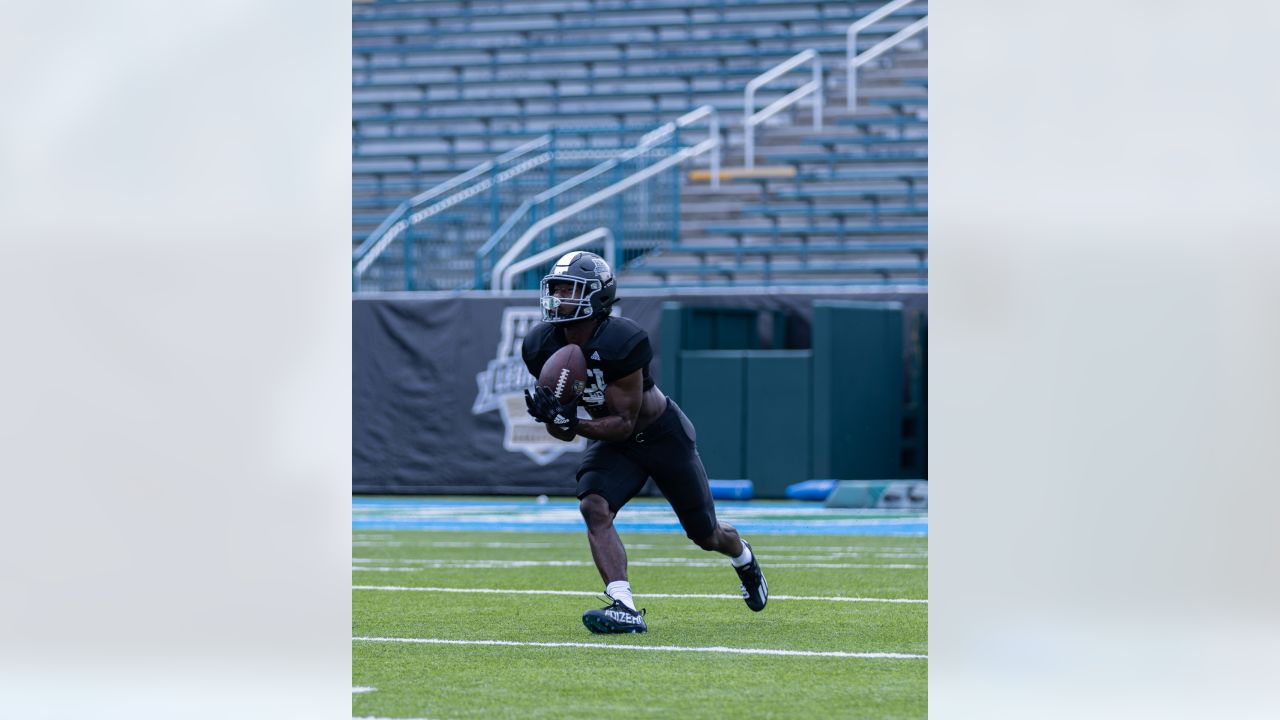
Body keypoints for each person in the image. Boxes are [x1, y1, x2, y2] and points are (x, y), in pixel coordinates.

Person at [522, 250, 767, 634]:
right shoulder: (541, 346)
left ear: (597, 297)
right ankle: (624, 605)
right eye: (556, 289)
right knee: (593, 505)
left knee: (706, 535)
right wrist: (555, 417)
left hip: (659, 435)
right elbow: (564, 429)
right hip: (615, 444)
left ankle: (743, 558)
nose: (559, 298)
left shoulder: (623, 339)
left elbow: (623, 423)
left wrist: (571, 421)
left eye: (570, 289)